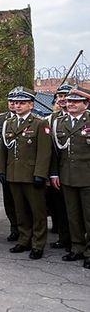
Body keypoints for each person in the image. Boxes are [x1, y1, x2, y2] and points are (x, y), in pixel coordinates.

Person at [0, 87, 52, 260]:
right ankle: (24, 239)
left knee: (37, 212)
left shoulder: (39, 122)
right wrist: (2, 170)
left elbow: (45, 152)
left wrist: (40, 174)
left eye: (22, 103)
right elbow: (3, 149)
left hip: (31, 175)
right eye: (16, 103)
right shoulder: (10, 123)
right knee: (20, 211)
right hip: (14, 174)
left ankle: (38, 244)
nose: (18, 106)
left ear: (31, 104)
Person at [50, 86, 90, 269]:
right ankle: (77, 248)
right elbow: (55, 152)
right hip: (66, 176)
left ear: (86, 104)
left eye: (76, 101)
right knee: (72, 215)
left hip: (87, 176)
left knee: (88, 217)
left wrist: (83, 92)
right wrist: (55, 173)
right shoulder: (60, 122)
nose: (71, 104)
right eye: (70, 101)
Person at [46, 84, 73, 250]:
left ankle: (80, 241)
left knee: (79, 210)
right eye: (60, 96)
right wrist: (53, 173)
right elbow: (50, 150)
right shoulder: (51, 119)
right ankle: (64, 238)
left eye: (66, 95)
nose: (63, 99)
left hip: (81, 173)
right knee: (61, 208)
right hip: (59, 172)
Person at [0, 89, 20, 241]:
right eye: (10, 101)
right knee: (9, 201)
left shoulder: (35, 119)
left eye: (16, 101)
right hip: (7, 165)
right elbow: (0, 143)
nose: (13, 104)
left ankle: (26, 231)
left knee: (23, 202)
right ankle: (14, 228)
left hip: (23, 167)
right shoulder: (1, 119)